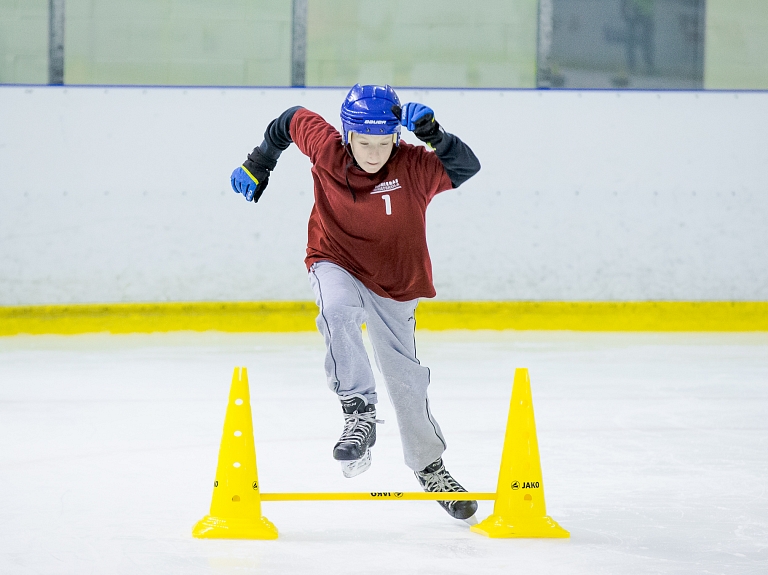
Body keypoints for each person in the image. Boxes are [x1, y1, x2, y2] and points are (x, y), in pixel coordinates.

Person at [229, 84, 481, 522]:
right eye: (364, 143)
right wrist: (258, 162)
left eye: (384, 144)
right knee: (335, 310)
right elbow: (291, 118)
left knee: (405, 378)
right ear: (347, 135)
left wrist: (434, 134)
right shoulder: (327, 149)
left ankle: (430, 469)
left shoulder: (414, 166)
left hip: (395, 282)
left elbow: (466, 166)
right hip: (335, 260)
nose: (374, 153)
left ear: (397, 139)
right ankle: (358, 412)